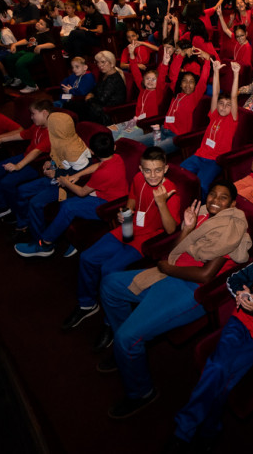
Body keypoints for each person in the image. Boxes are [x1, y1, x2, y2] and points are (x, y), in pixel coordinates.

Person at [101, 182, 253, 419]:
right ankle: (126, 353)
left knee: (127, 337)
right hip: (169, 273)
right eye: (212, 193)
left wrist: (168, 269)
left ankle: (141, 392)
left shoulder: (230, 228)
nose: (214, 199)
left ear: (232, 204)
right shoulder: (202, 216)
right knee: (110, 285)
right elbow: (174, 253)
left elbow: (205, 276)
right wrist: (186, 229)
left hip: (190, 289)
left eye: (223, 198)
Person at [169, 233, 253, 449]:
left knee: (223, 382)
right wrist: (242, 292)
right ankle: (184, 431)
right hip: (239, 322)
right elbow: (233, 280)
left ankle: (209, 429)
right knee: (218, 367)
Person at [62, 146, 181, 349]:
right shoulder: (137, 178)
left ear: (166, 169)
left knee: (109, 270)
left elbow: (171, 230)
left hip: (147, 239)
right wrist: (127, 211)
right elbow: (133, 197)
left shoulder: (171, 194)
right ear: (141, 169)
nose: (153, 175)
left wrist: (161, 203)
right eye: (148, 170)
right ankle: (87, 304)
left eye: (158, 170)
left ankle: (111, 322)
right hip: (128, 227)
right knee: (88, 257)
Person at [14, 131, 127, 257]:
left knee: (68, 207)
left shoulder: (103, 174)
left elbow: (82, 192)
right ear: (114, 147)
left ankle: (45, 244)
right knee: (67, 204)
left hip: (108, 205)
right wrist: (77, 175)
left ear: (92, 152)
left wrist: (65, 181)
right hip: (108, 195)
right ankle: (69, 237)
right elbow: (98, 165)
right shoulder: (117, 158)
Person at [10, 112, 92, 243]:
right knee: (22, 190)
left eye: (51, 125)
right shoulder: (59, 138)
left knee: (35, 203)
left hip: (65, 185)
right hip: (56, 177)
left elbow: (80, 175)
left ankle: (39, 241)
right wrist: (52, 163)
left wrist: (56, 174)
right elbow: (59, 158)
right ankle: (25, 224)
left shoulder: (73, 149)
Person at [0, 100, 52, 225]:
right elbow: (23, 134)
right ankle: (1, 206)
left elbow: (36, 152)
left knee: (6, 182)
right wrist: (1, 140)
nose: (31, 117)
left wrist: (17, 166)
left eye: (33, 114)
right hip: (25, 157)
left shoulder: (52, 132)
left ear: (45, 113)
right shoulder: (38, 125)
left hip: (36, 165)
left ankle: (21, 216)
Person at [180, 61, 241, 197]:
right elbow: (214, 94)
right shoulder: (214, 115)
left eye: (227, 105)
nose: (224, 107)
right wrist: (216, 71)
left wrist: (236, 74)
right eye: (221, 104)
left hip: (214, 161)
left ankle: (200, 211)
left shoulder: (232, 118)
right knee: (181, 172)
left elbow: (234, 96)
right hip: (199, 155)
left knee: (201, 186)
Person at [71, 49, 128, 125]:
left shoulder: (114, 78)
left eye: (103, 62)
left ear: (111, 63)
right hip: (100, 106)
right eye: (98, 62)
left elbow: (102, 100)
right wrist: (91, 93)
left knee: (77, 108)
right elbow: (95, 89)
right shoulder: (105, 75)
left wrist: (90, 98)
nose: (100, 65)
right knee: (72, 105)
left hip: (110, 111)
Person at [2, 17, 57, 94]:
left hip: (35, 54)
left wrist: (40, 46)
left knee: (20, 63)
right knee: (9, 58)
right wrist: (15, 44)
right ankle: (18, 77)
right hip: (26, 51)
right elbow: (26, 40)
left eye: (41, 24)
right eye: (38, 22)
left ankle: (32, 86)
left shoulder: (46, 34)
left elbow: (52, 44)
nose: (38, 24)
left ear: (47, 28)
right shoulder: (36, 32)